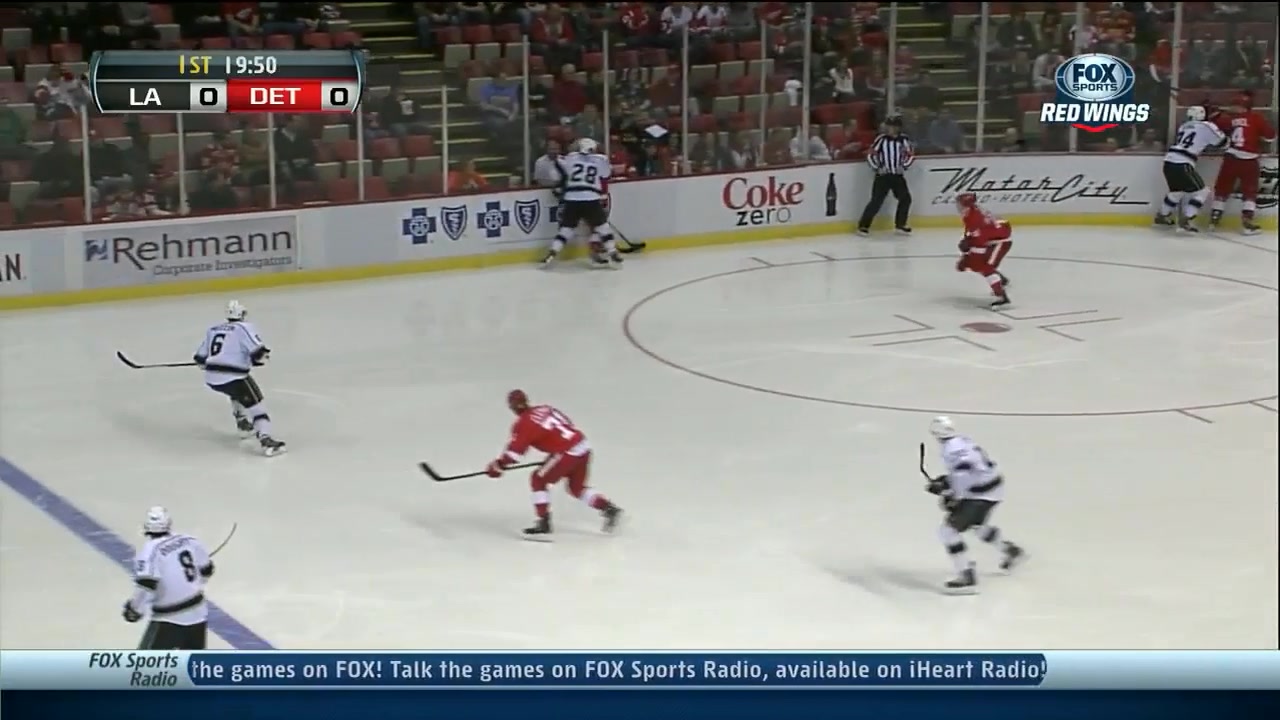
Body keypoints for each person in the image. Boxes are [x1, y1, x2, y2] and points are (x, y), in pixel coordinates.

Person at [485, 390, 624, 539]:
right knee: (576, 488)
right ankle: (609, 509)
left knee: (538, 479)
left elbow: (514, 454)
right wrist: (555, 455)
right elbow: (566, 425)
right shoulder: (546, 409)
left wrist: (498, 465)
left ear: (511, 407)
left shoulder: (523, 423)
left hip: (567, 452)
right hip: (582, 445)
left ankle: (543, 523)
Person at [925, 417, 1026, 594]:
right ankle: (1011, 551)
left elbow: (963, 476)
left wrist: (951, 494)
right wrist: (947, 483)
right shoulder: (963, 440)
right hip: (993, 488)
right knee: (976, 526)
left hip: (981, 494)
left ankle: (967, 577)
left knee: (947, 531)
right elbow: (972, 469)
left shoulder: (951, 450)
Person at [193, 300, 286, 456]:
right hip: (234, 376)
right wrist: (261, 358)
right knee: (257, 407)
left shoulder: (213, 329)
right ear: (242, 314)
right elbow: (259, 353)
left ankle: (243, 424)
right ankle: (266, 440)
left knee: (235, 393)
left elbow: (200, 359)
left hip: (212, 378)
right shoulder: (244, 328)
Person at [124, 507, 214, 649]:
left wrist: (134, 610)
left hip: (168, 619)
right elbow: (207, 570)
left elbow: (146, 585)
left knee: (146, 662)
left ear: (146, 527)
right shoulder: (189, 540)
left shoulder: (150, 552)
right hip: (198, 612)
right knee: (192, 661)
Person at [1208, 91, 1276, 236]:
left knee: (1222, 189)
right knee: (1249, 192)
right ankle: (1247, 223)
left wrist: (1216, 113)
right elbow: (1270, 137)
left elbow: (1213, 125)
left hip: (1231, 157)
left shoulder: (1228, 119)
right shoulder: (1256, 118)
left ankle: (1214, 220)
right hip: (1249, 159)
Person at [544, 138, 619, 268]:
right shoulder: (600, 159)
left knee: (566, 229)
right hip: (591, 198)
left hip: (572, 198)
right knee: (602, 227)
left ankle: (553, 252)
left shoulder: (571, 157)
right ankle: (612, 251)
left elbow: (558, 169)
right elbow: (606, 174)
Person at [1154, 105, 1226, 233]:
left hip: (1169, 161)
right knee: (1202, 191)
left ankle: (1162, 216)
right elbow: (1223, 143)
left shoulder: (1183, 126)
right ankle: (1187, 218)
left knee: (1177, 191)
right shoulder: (1207, 126)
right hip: (1183, 162)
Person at [856, 114, 915, 236]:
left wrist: (904, 166)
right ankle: (863, 226)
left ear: (898, 128)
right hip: (883, 176)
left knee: (905, 199)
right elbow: (871, 154)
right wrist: (877, 168)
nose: (889, 128)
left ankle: (900, 225)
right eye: (889, 126)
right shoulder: (881, 139)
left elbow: (910, 155)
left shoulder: (904, 140)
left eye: (892, 126)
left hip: (897, 176)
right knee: (876, 201)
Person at [954, 192, 1013, 309]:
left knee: (984, 267)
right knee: (978, 264)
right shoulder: (972, 212)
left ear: (966, 205)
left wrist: (968, 254)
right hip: (993, 238)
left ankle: (1002, 297)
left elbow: (980, 241)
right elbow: (976, 235)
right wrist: (968, 248)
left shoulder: (974, 218)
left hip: (1001, 242)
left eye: (960, 204)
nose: (958, 207)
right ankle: (1000, 280)